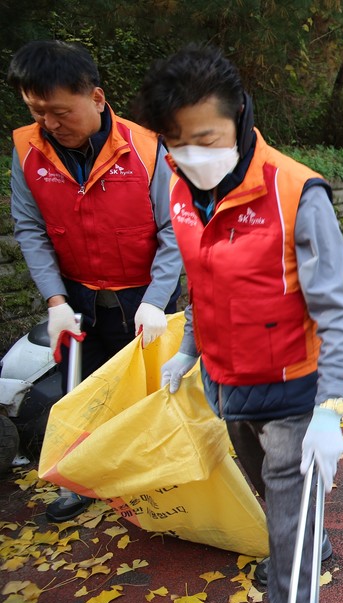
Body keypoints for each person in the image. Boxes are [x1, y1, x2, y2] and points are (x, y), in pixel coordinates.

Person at [135, 45, 343, 603]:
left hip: (293, 396)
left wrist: (331, 409)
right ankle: (316, 535)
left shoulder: (297, 194)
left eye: (206, 138)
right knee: (274, 502)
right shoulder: (181, 187)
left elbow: (338, 311)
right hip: (228, 388)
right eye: (176, 144)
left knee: (285, 547)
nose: (191, 156)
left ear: (240, 114)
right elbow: (203, 282)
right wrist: (187, 354)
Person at [7, 40, 182, 523]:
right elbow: (30, 228)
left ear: (97, 99)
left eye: (61, 111)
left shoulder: (148, 149)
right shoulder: (27, 150)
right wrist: (55, 300)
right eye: (38, 112)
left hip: (143, 296)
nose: (50, 123)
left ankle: (162, 480)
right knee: (81, 392)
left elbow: (174, 230)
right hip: (78, 296)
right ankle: (84, 480)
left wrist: (156, 300)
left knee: (156, 392)